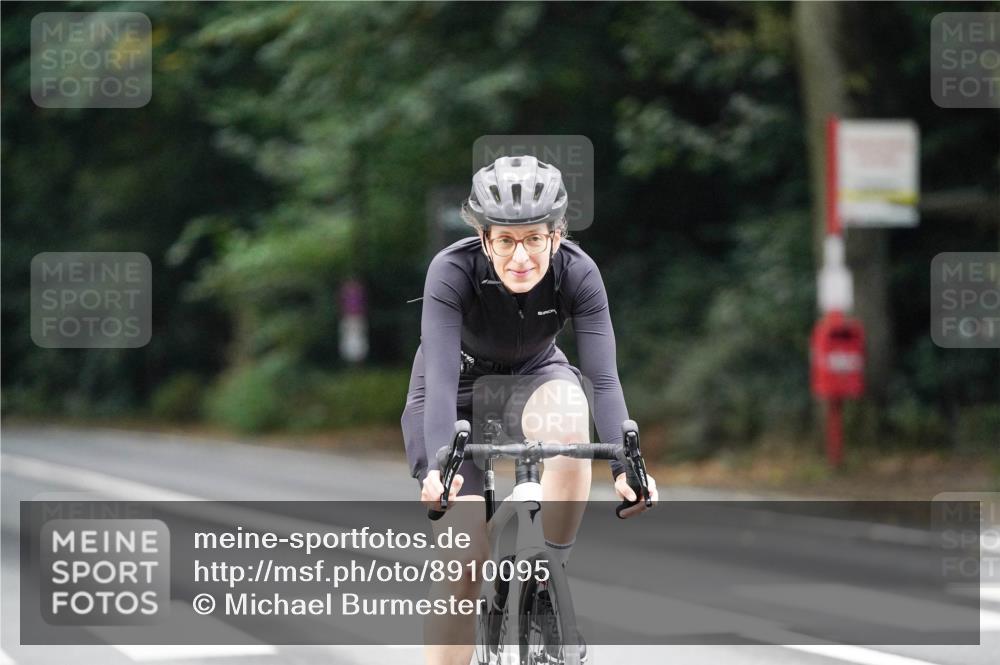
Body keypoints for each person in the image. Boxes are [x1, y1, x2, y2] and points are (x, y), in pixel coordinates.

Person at [401, 154, 658, 665]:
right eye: (505, 241)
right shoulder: (451, 271)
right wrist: (438, 466)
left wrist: (626, 469)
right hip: (457, 389)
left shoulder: (579, 273)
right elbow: (442, 378)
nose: (521, 257)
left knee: (569, 406)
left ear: (556, 236)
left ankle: (548, 578)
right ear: (484, 240)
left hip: (538, 375)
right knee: (463, 564)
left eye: (534, 239)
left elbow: (602, 378)